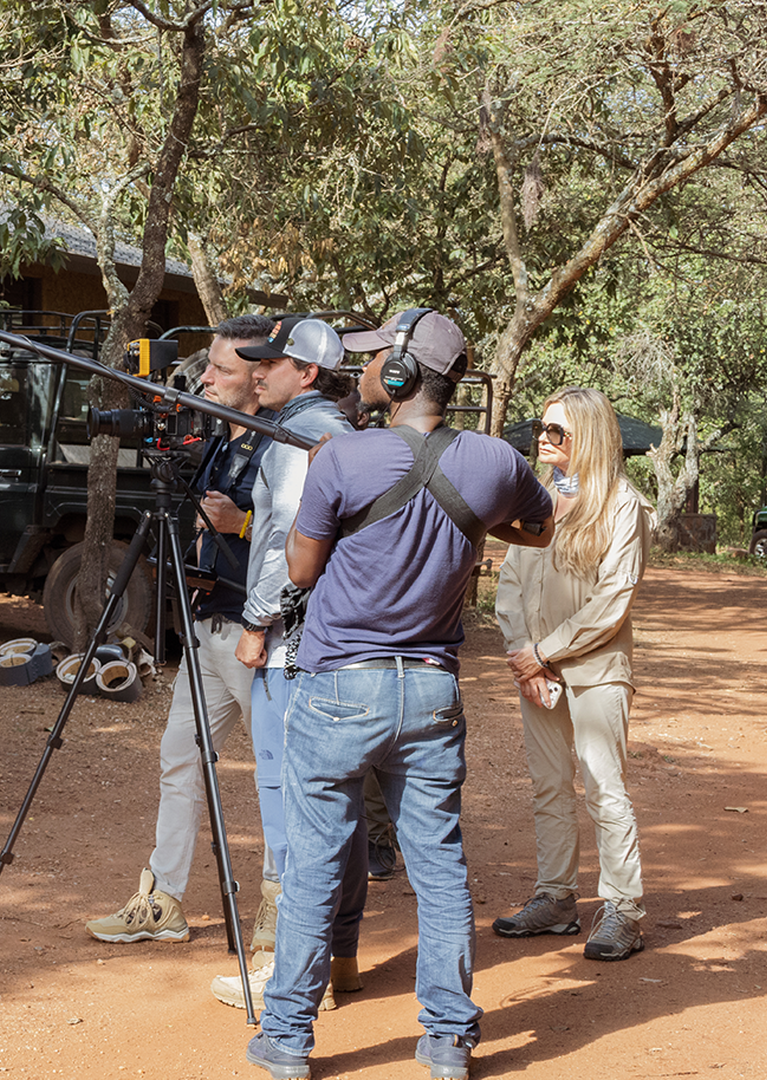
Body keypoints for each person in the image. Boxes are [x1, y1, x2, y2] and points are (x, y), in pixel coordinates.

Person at [246, 310, 555, 1080]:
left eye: (378, 355)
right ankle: (448, 1039)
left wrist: (326, 477)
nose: (368, 366)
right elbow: (541, 530)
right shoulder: (496, 462)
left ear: (400, 374)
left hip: (338, 686)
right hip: (428, 690)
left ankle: (287, 1040)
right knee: (439, 866)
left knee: (316, 862)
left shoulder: (344, 457)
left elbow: (303, 568)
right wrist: (469, 521)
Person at [83, 314, 283, 946]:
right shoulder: (221, 438)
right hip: (206, 627)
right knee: (179, 760)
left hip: (259, 636)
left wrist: (242, 527)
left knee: (279, 776)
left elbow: (304, 539)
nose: (209, 378)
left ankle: (283, 909)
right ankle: (163, 898)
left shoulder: (280, 443)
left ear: (260, 377)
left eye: (223, 369)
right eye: (211, 366)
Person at [202, 317, 361, 1013]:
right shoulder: (336, 431)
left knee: (291, 806)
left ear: (308, 374)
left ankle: (296, 973)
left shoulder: (300, 438)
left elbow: (288, 543)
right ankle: (338, 957)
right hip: (327, 640)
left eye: (273, 365)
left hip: (293, 642)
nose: (258, 373)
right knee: (332, 805)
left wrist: (256, 622)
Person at [494, 387, 653, 960]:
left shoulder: (621, 505)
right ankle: (556, 898)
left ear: (586, 436)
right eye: (542, 427)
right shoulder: (538, 502)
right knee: (548, 786)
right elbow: (510, 584)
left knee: (605, 789)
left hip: (596, 672)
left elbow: (614, 600)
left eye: (557, 431)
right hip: (536, 671)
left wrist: (545, 652)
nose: (543, 438)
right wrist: (524, 655)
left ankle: (623, 910)